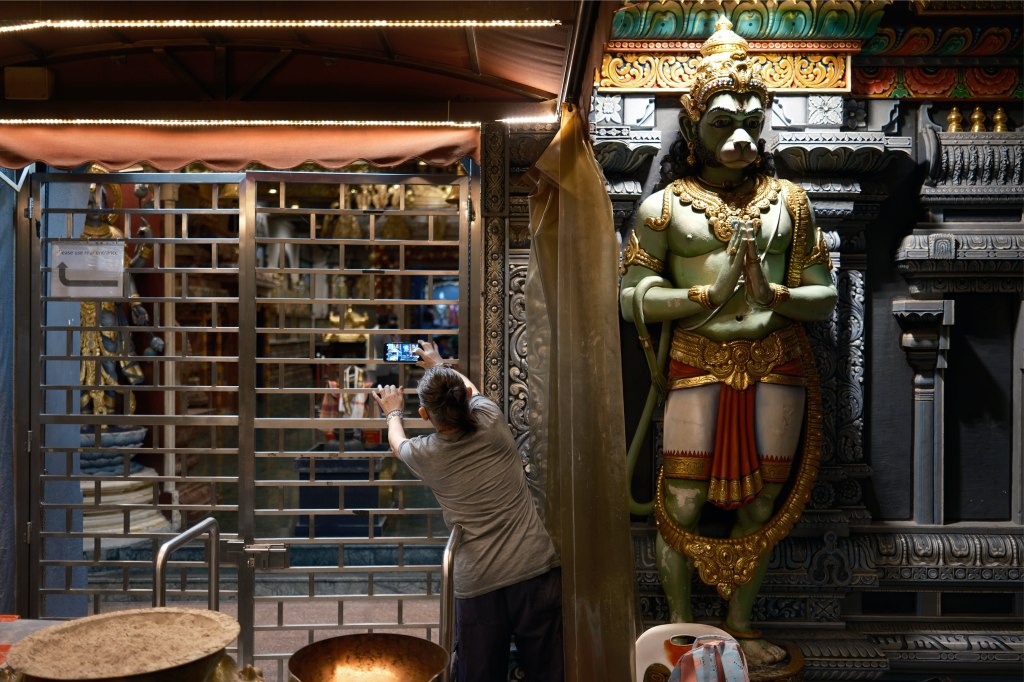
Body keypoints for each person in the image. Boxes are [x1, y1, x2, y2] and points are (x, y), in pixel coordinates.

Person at [619, 18, 837, 667]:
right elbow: (630, 297)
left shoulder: (791, 203)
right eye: (722, 123)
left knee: (765, 498)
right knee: (683, 498)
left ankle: (740, 624)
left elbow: (825, 297)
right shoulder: (665, 208)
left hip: (776, 360)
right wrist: (704, 295)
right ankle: (679, 629)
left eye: (750, 122)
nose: (741, 137)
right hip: (697, 361)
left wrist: (775, 295)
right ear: (693, 128)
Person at [372, 340, 563, 682]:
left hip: (480, 583)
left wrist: (392, 411)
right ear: (465, 399)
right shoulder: (491, 420)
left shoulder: (427, 455)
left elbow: (397, 444)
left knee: (478, 674)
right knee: (549, 672)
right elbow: (470, 389)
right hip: (534, 568)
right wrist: (438, 364)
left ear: (424, 415)